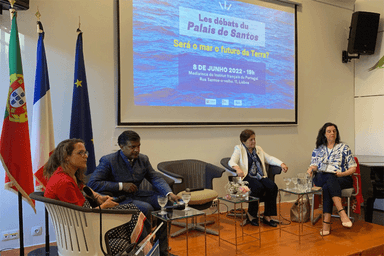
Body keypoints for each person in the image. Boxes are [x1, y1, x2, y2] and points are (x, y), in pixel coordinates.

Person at [43, 139, 148, 256]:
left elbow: (83, 188)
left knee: (131, 212)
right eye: (80, 153)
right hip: (83, 237)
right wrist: (104, 206)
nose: (86, 156)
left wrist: (98, 197)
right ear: (66, 157)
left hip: (80, 230)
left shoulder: (66, 174)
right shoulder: (64, 182)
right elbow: (82, 217)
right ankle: (145, 249)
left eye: (85, 152)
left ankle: (141, 249)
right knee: (133, 214)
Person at [87, 130, 179, 256]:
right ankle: (145, 251)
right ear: (121, 146)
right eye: (132, 147)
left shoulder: (143, 159)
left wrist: (169, 194)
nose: (136, 150)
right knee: (147, 208)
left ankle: (162, 251)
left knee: (167, 203)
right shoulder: (109, 160)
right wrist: (121, 186)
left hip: (138, 195)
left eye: (138, 146)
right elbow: (93, 183)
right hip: (119, 199)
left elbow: (155, 178)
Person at [228, 129, 288, 227]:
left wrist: (281, 164)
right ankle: (251, 214)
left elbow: (269, 158)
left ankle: (267, 216)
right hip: (247, 176)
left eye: (254, 139)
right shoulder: (239, 149)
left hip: (260, 175)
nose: (254, 142)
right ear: (244, 141)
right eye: (251, 140)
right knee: (258, 188)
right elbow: (231, 162)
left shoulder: (258, 149)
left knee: (272, 186)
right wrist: (238, 168)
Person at [307, 122, 356, 236]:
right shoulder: (318, 149)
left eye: (334, 131)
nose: (332, 133)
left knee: (327, 185)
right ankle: (342, 213)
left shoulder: (344, 148)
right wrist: (310, 169)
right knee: (328, 176)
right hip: (321, 176)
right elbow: (314, 165)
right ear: (324, 134)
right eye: (329, 131)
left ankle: (326, 224)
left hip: (341, 177)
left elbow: (353, 167)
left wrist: (342, 173)